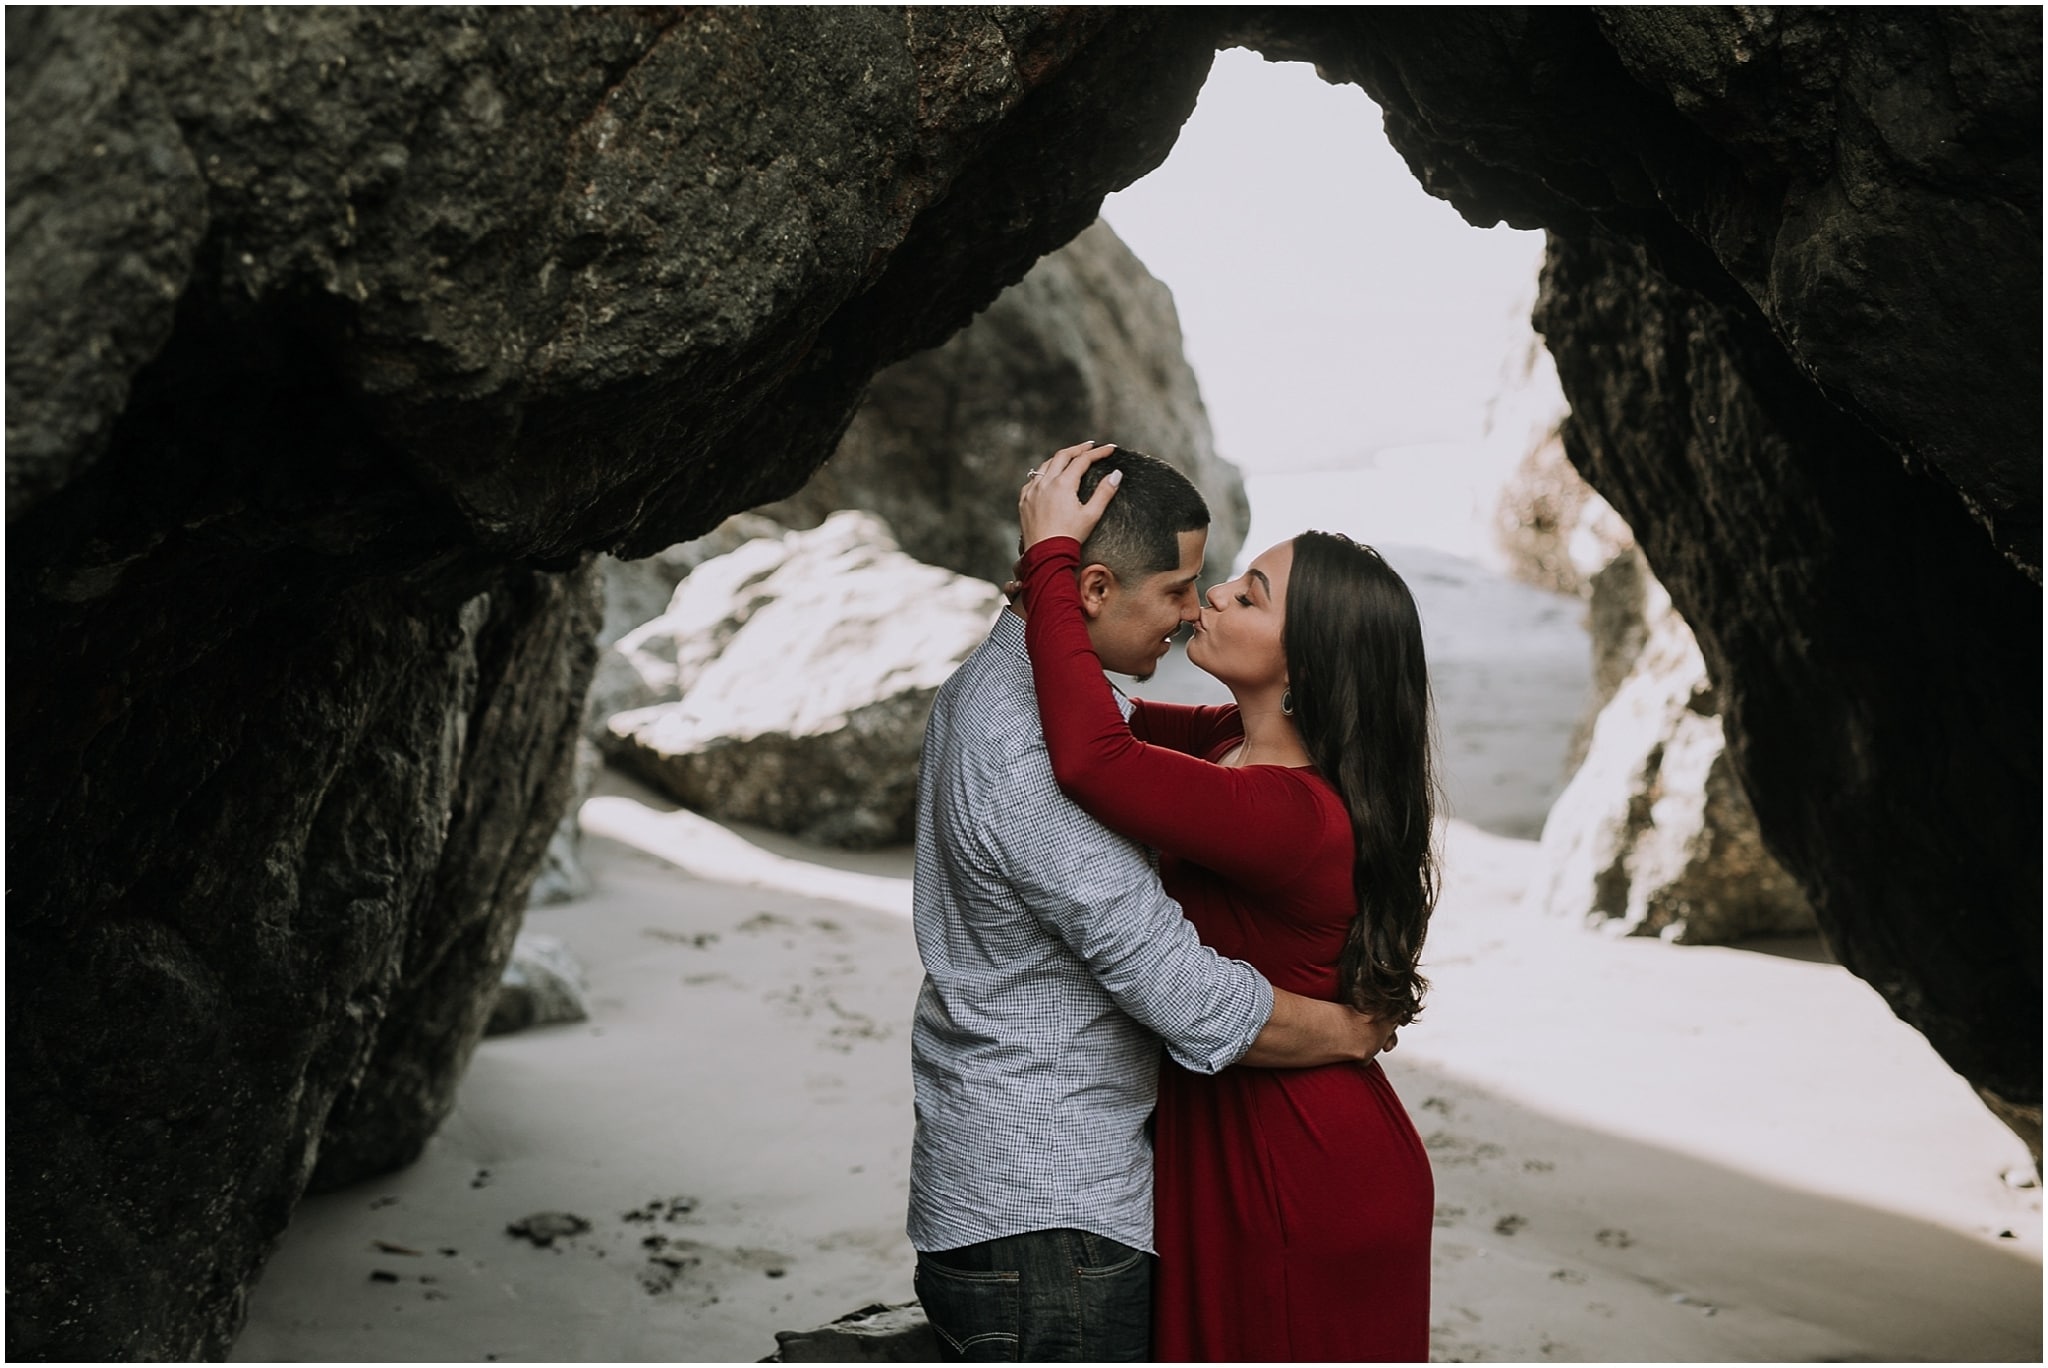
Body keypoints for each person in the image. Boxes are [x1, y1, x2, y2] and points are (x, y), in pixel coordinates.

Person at [907, 446, 1396, 1362]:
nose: (1195, 607)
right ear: (1093, 590)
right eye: (1181, 588)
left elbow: (1118, 748)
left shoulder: (1000, 693)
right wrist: (1350, 1030)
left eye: (1236, 591)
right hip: (1050, 1211)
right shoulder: (1041, 751)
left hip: (1057, 1197)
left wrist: (1045, 564)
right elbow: (1180, 986)